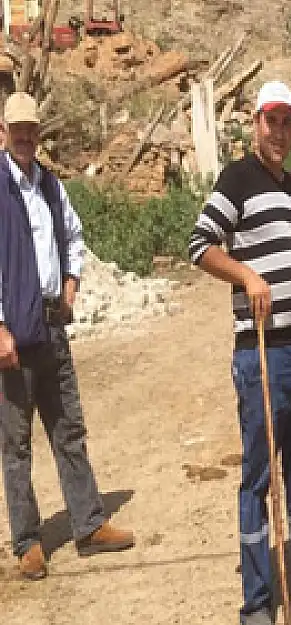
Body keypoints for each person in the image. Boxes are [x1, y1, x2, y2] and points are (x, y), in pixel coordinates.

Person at [188, 80, 291, 625]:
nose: (279, 132)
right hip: (261, 355)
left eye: (286, 123)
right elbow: (199, 244)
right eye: (270, 121)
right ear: (254, 123)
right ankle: (257, 599)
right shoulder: (236, 178)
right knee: (260, 476)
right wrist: (245, 274)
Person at [0, 91, 135, 581]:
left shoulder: (52, 186)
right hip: (13, 333)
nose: (25, 136)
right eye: (17, 128)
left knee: (68, 428)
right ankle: (27, 543)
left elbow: (73, 238)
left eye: (31, 128)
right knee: (16, 444)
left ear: (38, 131)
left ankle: (88, 523)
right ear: (4, 130)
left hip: (53, 326)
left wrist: (71, 286)